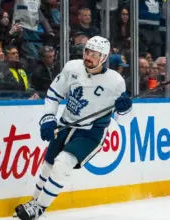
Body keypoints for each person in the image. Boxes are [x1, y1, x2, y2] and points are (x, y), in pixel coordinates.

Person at [14, 36, 133, 220]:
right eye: (87, 51)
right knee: (48, 166)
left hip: (90, 132)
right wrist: (48, 118)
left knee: (62, 164)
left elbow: (123, 121)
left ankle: (39, 208)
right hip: (65, 125)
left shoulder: (115, 81)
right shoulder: (72, 67)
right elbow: (54, 94)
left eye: (95, 54)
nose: (89, 56)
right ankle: (34, 202)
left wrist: (125, 110)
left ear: (104, 57)